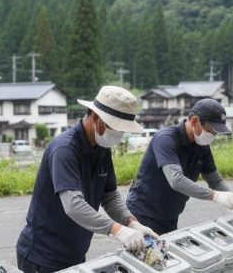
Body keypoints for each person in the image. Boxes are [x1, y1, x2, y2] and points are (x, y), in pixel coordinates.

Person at [16, 86, 158, 272]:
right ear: (97, 118)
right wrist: (117, 230)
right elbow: (73, 205)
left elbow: (110, 196)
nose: (119, 135)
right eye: (117, 128)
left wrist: (132, 222)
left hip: (75, 253)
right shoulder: (65, 149)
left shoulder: (101, 149)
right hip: (43, 256)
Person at [126, 98, 233, 235]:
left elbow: (215, 181)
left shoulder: (202, 146)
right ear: (194, 121)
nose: (213, 136)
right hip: (143, 215)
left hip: (170, 216)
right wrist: (215, 196)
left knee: (164, 254)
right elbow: (176, 180)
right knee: (146, 255)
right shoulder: (166, 139)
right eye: (211, 130)